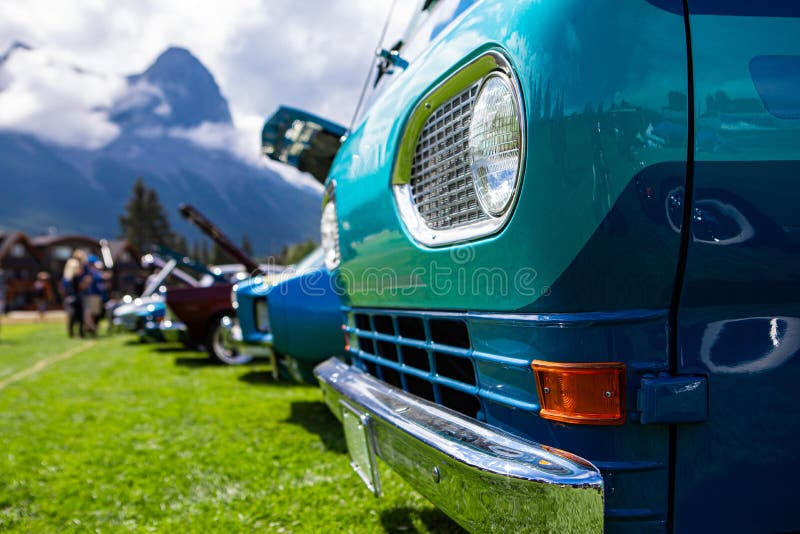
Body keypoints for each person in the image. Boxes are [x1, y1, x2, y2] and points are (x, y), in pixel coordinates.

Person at [61, 257, 84, 338]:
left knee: (79, 317)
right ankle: (72, 333)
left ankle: (80, 333)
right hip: (71, 299)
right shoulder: (68, 278)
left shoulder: (76, 278)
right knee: (72, 317)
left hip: (76, 299)